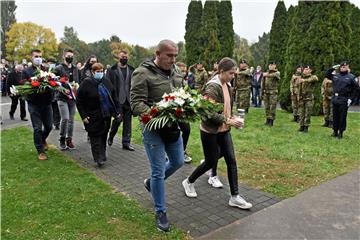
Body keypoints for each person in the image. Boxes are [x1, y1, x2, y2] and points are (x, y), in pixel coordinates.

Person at [182, 57, 252, 210]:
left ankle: (235, 197)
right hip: (210, 131)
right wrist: (229, 120)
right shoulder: (212, 88)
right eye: (231, 73)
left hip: (224, 130)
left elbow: (226, 108)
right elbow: (208, 114)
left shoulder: (228, 86)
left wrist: (232, 117)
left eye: (234, 74)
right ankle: (188, 181)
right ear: (221, 71)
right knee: (210, 161)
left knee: (231, 160)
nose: (233, 77)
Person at [130, 40, 184, 232]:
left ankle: (150, 184)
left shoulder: (177, 71)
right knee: (158, 171)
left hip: (172, 127)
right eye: (169, 55)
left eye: (175, 55)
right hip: (152, 128)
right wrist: (157, 114)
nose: (173, 59)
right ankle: (161, 211)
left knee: (178, 161)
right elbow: (136, 103)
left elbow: (181, 93)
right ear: (158, 54)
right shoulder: (142, 73)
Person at [76, 63, 120, 166]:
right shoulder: (86, 83)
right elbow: (79, 101)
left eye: (101, 71)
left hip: (106, 114)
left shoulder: (106, 82)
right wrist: (83, 116)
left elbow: (113, 97)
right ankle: (98, 158)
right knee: (95, 136)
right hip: (92, 115)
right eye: (97, 72)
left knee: (103, 135)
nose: (100, 73)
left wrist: (117, 111)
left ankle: (102, 154)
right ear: (92, 72)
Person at [23, 49, 53, 160]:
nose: (38, 58)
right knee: (37, 128)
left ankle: (42, 139)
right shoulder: (27, 71)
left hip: (47, 103)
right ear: (31, 58)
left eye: (40, 56)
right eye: (36, 56)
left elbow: (52, 83)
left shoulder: (47, 70)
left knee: (49, 126)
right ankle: (40, 151)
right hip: (34, 103)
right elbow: (24, 85)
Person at [106, 50, 135, 151]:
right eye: (122, 57)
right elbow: (108, 85)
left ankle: (126, 142)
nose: (124, 58)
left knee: (128, 122)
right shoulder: (111, 70)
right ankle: (111, 135)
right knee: (118, 120)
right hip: (117, 100)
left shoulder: (131, 69)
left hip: (128, 99)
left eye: (126, 57)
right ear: (118, 57)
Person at [55, 49, 79, 150]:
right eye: (68, 56)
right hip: (62, 97)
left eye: (72, 56)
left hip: (72, 98)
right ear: (64, 56)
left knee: (71, 120)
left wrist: (76, 87)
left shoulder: (75, 68)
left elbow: (77, 80)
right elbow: (54, 83)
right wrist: (63, 89)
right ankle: (62, 138)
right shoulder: (58, 68)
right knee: (65, 118)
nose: (70, 58)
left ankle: (69, 139)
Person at [331, 61, 359, 139]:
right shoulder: (336, 75)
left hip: (344, 99)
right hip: (336, 98)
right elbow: (327, 75)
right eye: (341, 66)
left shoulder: (351, 77)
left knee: (342, 117)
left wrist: (351, 99)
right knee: (335, 116)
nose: (343, 67)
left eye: (344, 66)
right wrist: (333, 68)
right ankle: (335, 131)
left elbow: (356, 89)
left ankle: (341, 133)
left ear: (348, 67)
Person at [176, 62, 192, 163]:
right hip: (171, 110)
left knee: (186, 129)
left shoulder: (185, 82)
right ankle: (170, 153)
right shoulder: (172, 80)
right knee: (172, 132)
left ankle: (182, 150)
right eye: (181, 71)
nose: (184, 73)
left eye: (185, 71)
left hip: (182, 111)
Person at [297, 65, 319, 133]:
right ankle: (301, 126)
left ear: (310, 70)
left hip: (309, 98)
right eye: (304, 69)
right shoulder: (300, 77)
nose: (305, 70)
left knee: (307, 113)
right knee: (301, 113)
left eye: (307, 69)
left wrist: (304, 80)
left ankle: (306, 127)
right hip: (301, 98)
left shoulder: (312, 77)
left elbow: (315, 79)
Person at [262, 61, 280, 126]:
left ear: (275, 66)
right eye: (270, 65)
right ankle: (267, 119)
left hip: (273, 92)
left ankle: (271, 121)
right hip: (266, 92)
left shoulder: (277, 73)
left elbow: (275, 75)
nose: (271, 66)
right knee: (266, 106)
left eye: (272, 65)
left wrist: (266, 74)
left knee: (272, 107)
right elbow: (263, 83)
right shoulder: (266, 73)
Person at [46, 58, 61, 130]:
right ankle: (51, 122)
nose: (51, 64)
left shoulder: (57, 70)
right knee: (50, 109)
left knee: (57, 109)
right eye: (50, 63)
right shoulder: (45, 71)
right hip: (49, 93)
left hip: (56, 93)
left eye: (52, 63)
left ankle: (57, 123)